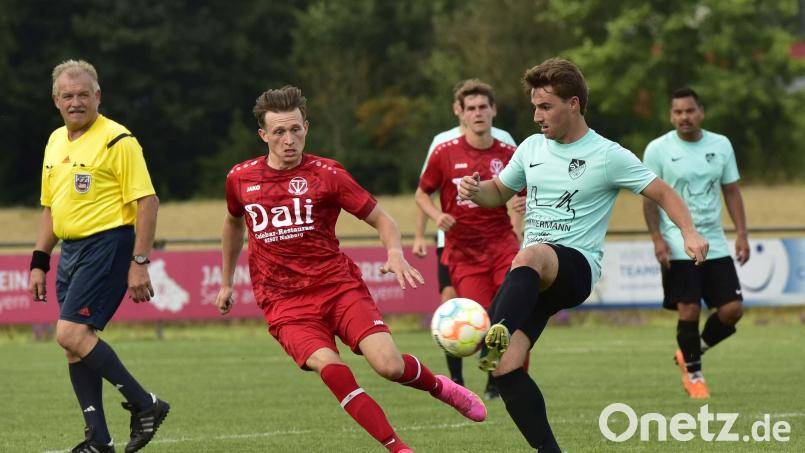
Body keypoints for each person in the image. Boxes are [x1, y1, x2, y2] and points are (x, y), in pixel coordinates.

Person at [216, 86, 486, 453]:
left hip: (338, 287)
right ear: (263, 135)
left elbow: (383, 220)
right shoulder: (240, 178)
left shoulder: (328, 174)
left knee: (389, 366)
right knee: (331, 368)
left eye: (295, 129)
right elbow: (233, 224)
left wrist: (394, 253)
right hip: (284, 302)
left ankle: (441, 387)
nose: (288, 139)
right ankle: (399, 448)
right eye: (279, 132)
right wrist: (226, 282)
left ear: (306, 128)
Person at [457, 58, 709, 452]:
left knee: (530, 256)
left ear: (573, 104)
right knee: (507, 369)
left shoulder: (608, 154)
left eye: (546, 106)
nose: (537, 115)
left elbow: (662, 192)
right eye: (534, 107)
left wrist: (689, 232)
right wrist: (476, 192)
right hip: (534, 279)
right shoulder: (531, 148)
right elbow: (497, 194)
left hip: (574, 267)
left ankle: (493, 330)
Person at [27, 60, 168, 453]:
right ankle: (99, 440)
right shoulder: (55, 141)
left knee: (69, 333)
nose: (76, 102)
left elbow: (148, 201)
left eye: (83, 95)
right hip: (71, 250)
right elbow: (51, 208)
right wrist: (40, 260)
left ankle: (146, 404)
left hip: (108, 244)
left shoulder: (117, 140)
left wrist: (139, 263)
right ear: (56, 100)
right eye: (68, 96)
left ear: (98, 97)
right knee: (74, 343)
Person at [415, 79, 522, 400]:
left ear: (494, 110)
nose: (478, 113)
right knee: (479, 319)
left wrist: (524, 210)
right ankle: (464, 378)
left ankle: (506, 380)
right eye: (471, 108)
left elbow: (531, 192)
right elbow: (422, 193)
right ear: (460, 113)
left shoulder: (509, 152)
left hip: (502, 244)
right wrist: (436, 219)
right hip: (462, 249)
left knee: (511, 311)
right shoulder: (444, 151)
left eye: (483, 107)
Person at [642, 87, 749, 400]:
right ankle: (695, 375)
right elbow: (650, 198)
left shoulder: (721, 145)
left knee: (732, 310)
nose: (684, 117)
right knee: (688, 309)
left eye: (689, 111)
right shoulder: (658, 149)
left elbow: (731, 190)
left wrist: (742, 233)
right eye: (677, 112)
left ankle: (691, 352)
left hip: (714, 241)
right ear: (671, 115)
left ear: (700, 111)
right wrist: (657, 238)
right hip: (678, 243)